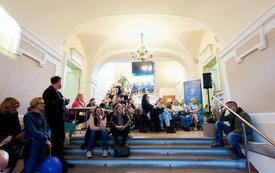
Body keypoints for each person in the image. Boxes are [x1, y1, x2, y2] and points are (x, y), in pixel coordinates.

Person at [42, 76, 74, 172]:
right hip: (53, 122)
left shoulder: (58, 92)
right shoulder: (48, 91)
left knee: (60, 141)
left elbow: (66, 101)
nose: (61, 84)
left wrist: (63, 101)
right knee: (55, 143)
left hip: (60, 121)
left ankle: (62, 162)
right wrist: (62, 101)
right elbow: (58, 102)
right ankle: (57, 163)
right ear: (58, 82)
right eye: (60, 81)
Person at [23, 97, 52, 173]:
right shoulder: (28, 116)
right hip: (33, 145)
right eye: (41, 103)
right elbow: (32, 131)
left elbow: (48, 129)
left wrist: (46, 137)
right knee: (30, 167)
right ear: (35, 105)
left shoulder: (43, 116)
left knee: (40, 167)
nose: (44, 105)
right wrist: (45, 138)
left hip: (42, 144)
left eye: (44, 103)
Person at [0, 98, 21, 172]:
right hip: (1, 141)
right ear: (6, 107)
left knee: (11, 162)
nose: (15, 108)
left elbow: (18, 128)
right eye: (13, 107)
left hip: (8, 141)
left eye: (17, 106)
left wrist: (10, 136)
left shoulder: (14, 113)